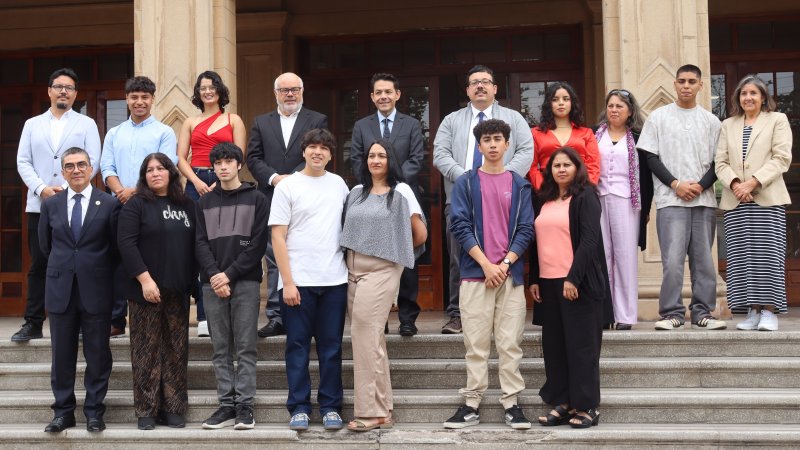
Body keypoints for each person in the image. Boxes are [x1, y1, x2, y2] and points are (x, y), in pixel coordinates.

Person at [443, 119, 534, 430]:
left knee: (510, 343)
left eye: (498, 139)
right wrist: (485, 264)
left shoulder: (520, 184)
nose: (493, 144)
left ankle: (512, 404)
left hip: (510, 276)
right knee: (476, 343)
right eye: (487, 140)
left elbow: (525, 229)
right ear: (479, 146)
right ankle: (471, 404)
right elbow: (460, 226)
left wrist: (505, 265)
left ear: (507, 144)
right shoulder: (466, 183)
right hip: (475, 275)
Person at [433, 64, 533, 334]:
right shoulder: (451, 120)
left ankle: (501, 313)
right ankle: (457, 314)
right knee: (458, 254)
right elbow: (440, 154)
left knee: (504, 250)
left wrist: (500, 177)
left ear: (495, 88)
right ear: (467, 90)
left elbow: (526, 150)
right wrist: (468, 180)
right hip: (460, 196)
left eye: (486, 81)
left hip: (505, 198)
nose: (480, 86)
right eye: (475, 82)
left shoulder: (513, 118)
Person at [341, 139, 427, 431]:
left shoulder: (401, 191)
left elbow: (420, 234)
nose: (376, 160)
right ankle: (383, 409)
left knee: (364, 337)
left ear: (391, 159)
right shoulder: (355, 193)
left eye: (382, 155)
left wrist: (392, 254)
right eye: (371, 155)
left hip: (381, 271)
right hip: (352, 272)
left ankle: (370, 411)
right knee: (371, 342)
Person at [13, 67, 101, 343]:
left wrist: (64, 190)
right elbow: (23, 161)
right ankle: (33, 322)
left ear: (76, 94)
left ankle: (76, 320)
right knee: (39, 263)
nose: (64, 91)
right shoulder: (32, 124)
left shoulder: (86, 124)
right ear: (49, 90)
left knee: (74, 261)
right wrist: (41, 188)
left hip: (74, 204)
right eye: (59, 86)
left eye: (69, 87)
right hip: (39, 204)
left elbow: (93, 161)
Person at [269, 129, 349, 432]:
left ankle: (330, 406)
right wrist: (287, 282)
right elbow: (278, 236)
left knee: (331, 347)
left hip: (334, 280)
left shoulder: (339, 184)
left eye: (324, 148)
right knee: (298, 347)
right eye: (312, 147)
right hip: (297, 282)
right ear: (303, 152)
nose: (318, 152)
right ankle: (299, 406)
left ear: (331, 154)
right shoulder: (288, 186)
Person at [637, 64, 725, 331]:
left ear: (700, 86)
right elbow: (650, 157)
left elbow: (719, 161)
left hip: (703, 200)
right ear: (675, 85)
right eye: (682, 81)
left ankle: (702, 312)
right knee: (672, 261)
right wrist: (676, 184)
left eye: (691, 81)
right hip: (670, 199)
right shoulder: (658, 117)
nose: (686, 85)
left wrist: (699, 186)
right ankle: (672, 313)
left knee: (704, 262)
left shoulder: (711, 121)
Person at [39, 147, 120, 433]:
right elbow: (45, 246)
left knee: (98, 354)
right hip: (61, 290)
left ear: (91, 169)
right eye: (70, 166)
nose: (76, 170)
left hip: (96, 289)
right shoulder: (51, 204)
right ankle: (63, 412)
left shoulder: (108, 204)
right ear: (62, 172)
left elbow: (115, 250)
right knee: (61, 356)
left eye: (81, 165)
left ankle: (94, 412)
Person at [528, 146, 608, 429]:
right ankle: (563, 402)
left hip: (578, 284)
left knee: (581, 348)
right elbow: (537, 241)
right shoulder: (544, 199)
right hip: (548, 286)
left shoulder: (586, 197)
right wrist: (534, 279)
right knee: (555, 347)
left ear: (577, 169)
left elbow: (589, 242)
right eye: (556, 165)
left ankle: (587, 406)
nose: (561, 169)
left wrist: (573, 278)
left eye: (567, 165)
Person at [117, 153, 196, 430]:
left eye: (160, 168)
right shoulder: (136, 205)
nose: (155, 173)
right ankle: (146, 410)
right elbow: (126, 245)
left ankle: (173, 407)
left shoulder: (186, 205)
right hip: (144, 292)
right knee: (145, 351)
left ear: (171, 173)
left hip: (177, 290)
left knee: (176, 349)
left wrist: (194, 285)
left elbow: (195, 245)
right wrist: (145, 280)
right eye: (149, 170)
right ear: (144, 176)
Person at [246, 72, 328, 339]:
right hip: (272, 195)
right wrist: (275, 178)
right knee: (273, 256)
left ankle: (309, 314)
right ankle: (276, 315)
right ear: (276, 93)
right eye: (284, 90)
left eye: (294, 89)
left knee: (306, 249)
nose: (290, 94)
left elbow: (320, 152)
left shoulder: (316, 120)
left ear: (302, 91)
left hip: (308, 196)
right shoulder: (261, 122)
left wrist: (294, 178)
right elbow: (253, 157)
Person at [195, 142, 268, 430]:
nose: (223, 167)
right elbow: (199, 243)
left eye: (229, 161)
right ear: (213, 167)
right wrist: (215, 275)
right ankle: (226, 405)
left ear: (239, 164)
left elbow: (257, 243)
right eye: (218, 163)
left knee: (246, 346)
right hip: (211, 284)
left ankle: (245, 406)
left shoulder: (257, 199)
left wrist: (230, 275)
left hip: (246, 282)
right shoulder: (205, 201)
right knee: (220, 347)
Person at [100, 75, 178, 337]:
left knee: (150, 258)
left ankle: (152, 313)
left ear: (152, 100)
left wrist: (134, 190)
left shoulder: (164, 132)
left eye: (145, 97)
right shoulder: (115, 133)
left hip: (152, 204)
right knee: (118, 260)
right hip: (120, 204)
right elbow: (106, 167)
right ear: (127, 99)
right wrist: (120, 190)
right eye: (134, 97)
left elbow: (168, 167)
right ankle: (116, 319)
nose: (139, 102)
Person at [715, 74, 793, 331]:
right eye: (743, 94)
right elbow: (721, 162)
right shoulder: (728, 124)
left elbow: (782, 158)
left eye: (753, 93)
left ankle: (769, 311)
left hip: (767, 199)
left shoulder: (777, 120)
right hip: (737, 200)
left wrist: (754, 182)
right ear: (738, 98)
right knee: (742, 258)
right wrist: (737, 184)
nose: (748, 97)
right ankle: (751, 310)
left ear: (763, 97)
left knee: (768, 256)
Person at [350, 73, 425, 336]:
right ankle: (379, 318)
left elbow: (417, 158)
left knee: (405, 254)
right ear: (372, 97)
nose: (383, 96)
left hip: (402, 195)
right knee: (375, 255)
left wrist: (393, 180)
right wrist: (375, 181)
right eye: (378, 92)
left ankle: (407, 317)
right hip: (371, 197)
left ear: (397, 95)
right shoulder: (361, 125)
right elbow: (357, 159)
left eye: (388, 92)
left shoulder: (412, 124)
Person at [176, 70, 246, 338]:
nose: (207, 91)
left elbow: (239, 156)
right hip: (196, 184)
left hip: (225, 183)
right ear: (198, 92)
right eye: (203, 88)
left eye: (212, 87)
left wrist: (218, 181)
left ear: (220, 91)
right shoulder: (190, 122)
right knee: (199, 246)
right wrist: (196, 181)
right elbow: (181, 158)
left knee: (224, 245)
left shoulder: (233, 119)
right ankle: (204, 316)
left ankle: (227, 311)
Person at [593, 89, 653, 330]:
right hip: (597, 199)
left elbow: (647, 177)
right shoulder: (594, 134)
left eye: (619, 106)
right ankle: (605, 312)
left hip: (627, 201)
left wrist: (646, 208)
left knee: (625, 257)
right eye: (611, 105)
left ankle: (626, 316)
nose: (614, 110)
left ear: (630, 112)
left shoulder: (638, 137)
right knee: (602, 256)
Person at [529, 81, 599, 190]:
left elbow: (593, 166)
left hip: (581, 191)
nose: (561, 103)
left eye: (566, 99)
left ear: (572, 103)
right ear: (549, 103)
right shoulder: (535, 133)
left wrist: (585, 190)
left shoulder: (586, 133)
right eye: (555, 99)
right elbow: (532, 168)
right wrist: (544, 189)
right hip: (547, 191)